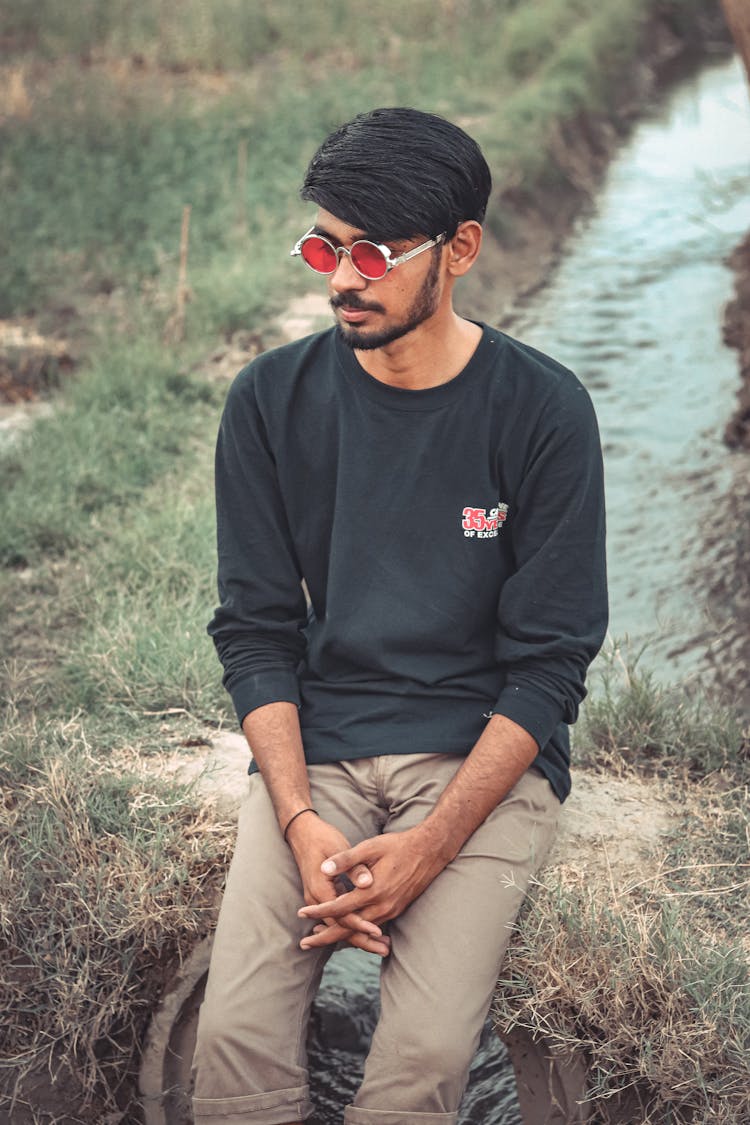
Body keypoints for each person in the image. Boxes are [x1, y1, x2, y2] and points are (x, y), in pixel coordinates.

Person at [192, 106, 608, 1125]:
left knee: (419, 1061)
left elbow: (551, 665)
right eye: (323, 247)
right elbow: (254, 630)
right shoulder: (266, 402)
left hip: (479, 765)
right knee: (234, 1041)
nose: (341, 279)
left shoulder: (545, 413)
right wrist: (296, 816)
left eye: (373, 252)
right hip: (321, 753)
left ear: (459, 249)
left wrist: (429, 848)